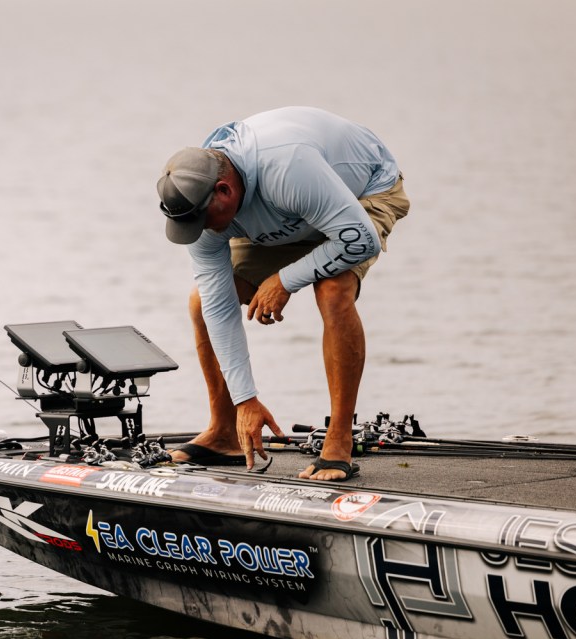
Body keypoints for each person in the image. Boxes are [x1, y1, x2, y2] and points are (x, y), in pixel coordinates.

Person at [156, 106, 410, 481]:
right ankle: (225, 432)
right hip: (285, 213)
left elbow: (360, 242)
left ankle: (338, 442)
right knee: (200, 303)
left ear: (224, 191)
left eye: (202, 221)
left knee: (332, 289)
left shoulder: (286, 168)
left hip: (361, 193)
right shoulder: (201, 209)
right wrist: (246, 399)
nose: (199, 231)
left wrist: (285, 280)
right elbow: (218, 306)